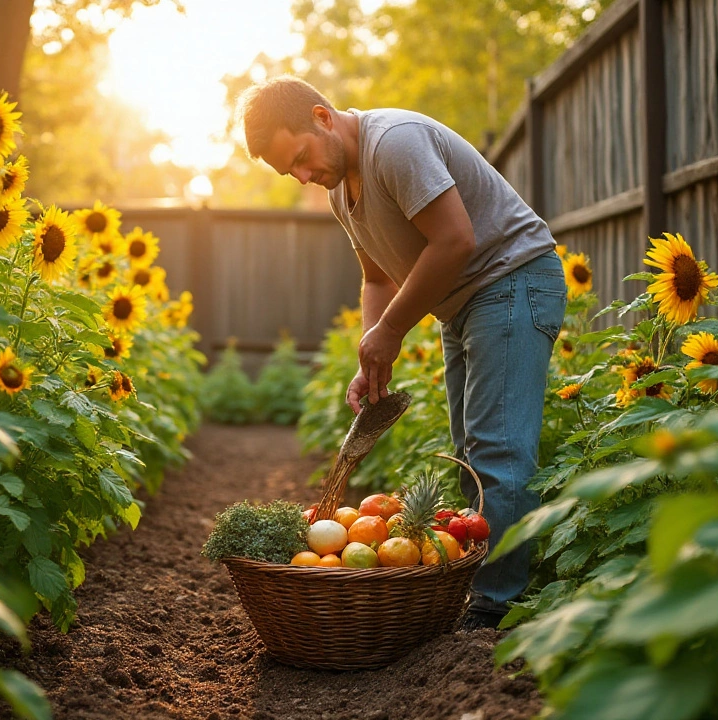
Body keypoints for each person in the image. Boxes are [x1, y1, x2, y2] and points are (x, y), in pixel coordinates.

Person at [236, 76, 566, 630]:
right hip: (465, 301)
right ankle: (482, 593)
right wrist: (374, 354)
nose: (302, 176)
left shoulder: (394, 143)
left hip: (512, 281)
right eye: (286, 172)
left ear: (322, 117)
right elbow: (376, 279)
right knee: (471, 449)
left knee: (498, 454)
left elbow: (455, 240)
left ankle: (496, 609)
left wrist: (390, 331)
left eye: (299, 158)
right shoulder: (341, 189)